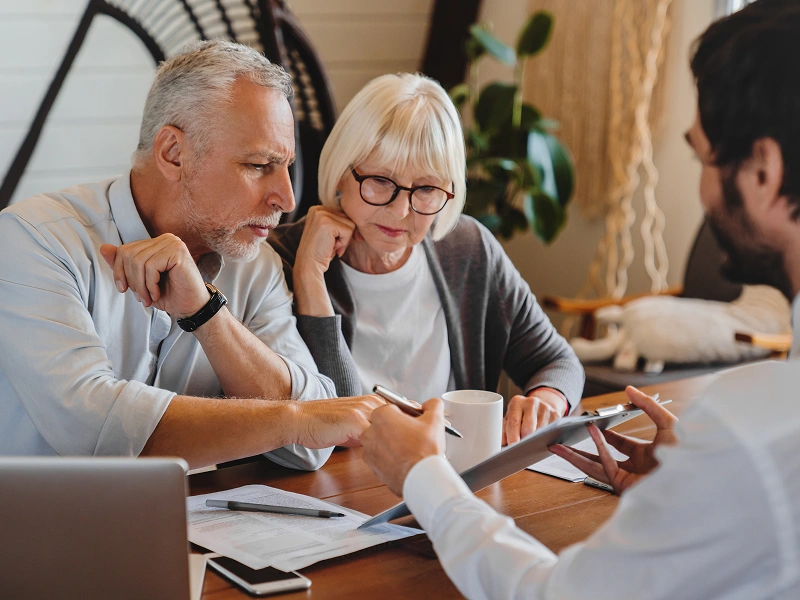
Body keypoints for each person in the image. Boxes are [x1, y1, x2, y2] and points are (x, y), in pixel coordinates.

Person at [360, 1, 800, 597]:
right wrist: (686, 494)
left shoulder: (755, 428)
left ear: (764, 171)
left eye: (700, 156)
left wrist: (424, 478)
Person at [0, 41, 383, 470]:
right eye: (259, 165)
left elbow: (311, 449)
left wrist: (207, 313)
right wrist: (292, 419)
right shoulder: (32, 240)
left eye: (285, 166)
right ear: (172, 153)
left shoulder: (256, 263)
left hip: (194, 530)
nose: (288, 198)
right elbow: (96, 434)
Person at [268, 73, 584, 444]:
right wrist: (309, 279)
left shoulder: (466, 248)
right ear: (341, 172)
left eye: (427, 188)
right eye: (381, 181)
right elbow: (330, 420)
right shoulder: (280, 258)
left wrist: (547, 399)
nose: (401, 210)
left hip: (450, 479)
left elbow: (558, 362)